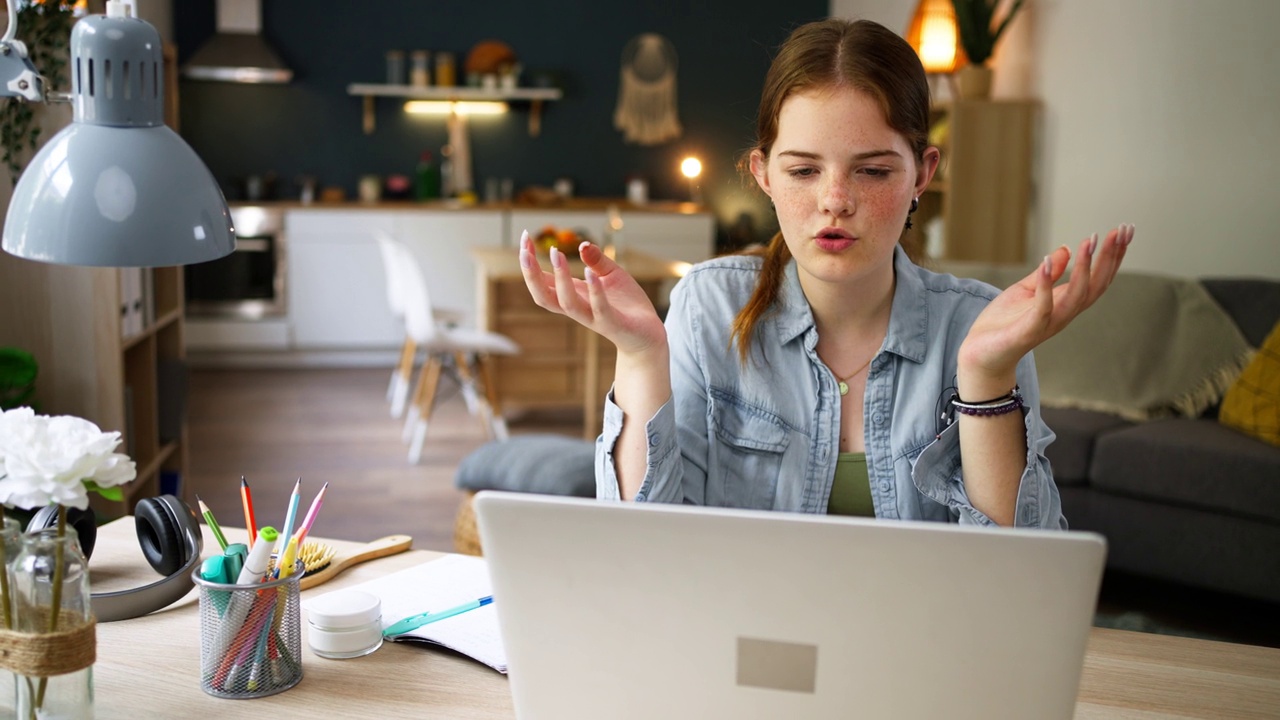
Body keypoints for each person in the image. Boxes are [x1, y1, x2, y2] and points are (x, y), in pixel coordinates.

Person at [517, 18, 1132, 528]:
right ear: (762, 174)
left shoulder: (979, 328)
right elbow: (643, 550)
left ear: (923, 173)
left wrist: (987, 378)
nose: (835, 200)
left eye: (872, 171)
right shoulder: (709, 304)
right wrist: (638, 356)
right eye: (804, 170)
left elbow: (1019, 583)